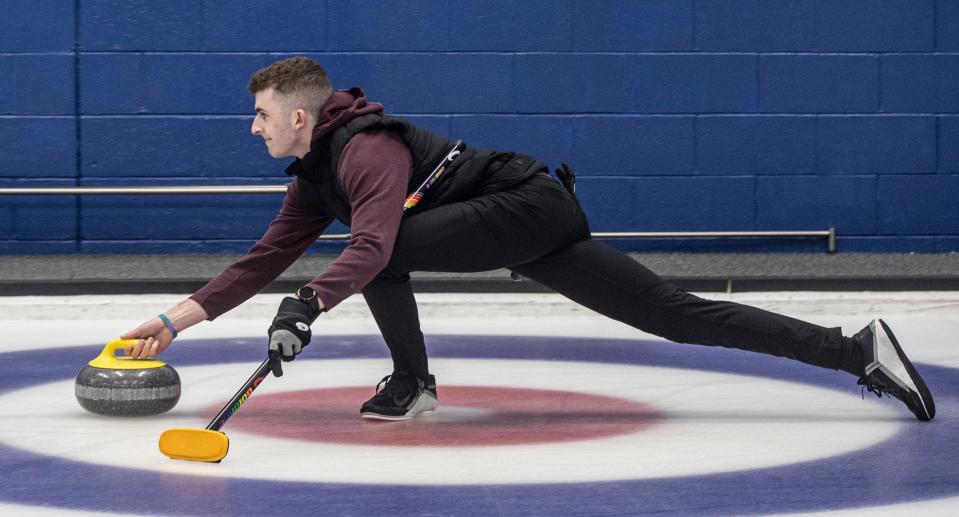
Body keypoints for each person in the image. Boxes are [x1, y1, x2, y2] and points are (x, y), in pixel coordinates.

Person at [121, 56, 935, 422]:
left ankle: (412, 383)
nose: (251, 125)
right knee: (672, 312)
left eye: (259, 114)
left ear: (298, 116)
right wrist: (176, 319)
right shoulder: (314, 174)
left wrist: (307, 303)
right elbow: (263, 258)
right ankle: (855, 349)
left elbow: (369, 249)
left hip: (524, 203)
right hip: (521, 221)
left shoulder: (366, 149)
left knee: (383, 250)